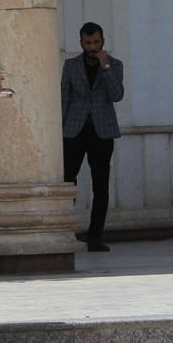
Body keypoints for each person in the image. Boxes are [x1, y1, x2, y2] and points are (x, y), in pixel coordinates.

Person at [61, 22, 124, 252]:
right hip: (74, 130)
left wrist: (105, 67)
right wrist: (60, 131)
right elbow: (63, 99)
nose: (92, 47)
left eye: (96, 42)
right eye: (88, 43)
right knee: (68, 182)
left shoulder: (115, 65)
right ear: (80, 42)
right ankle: (66, 231)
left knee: (101, 185)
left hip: (102, 131)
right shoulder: (70, 66)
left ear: (103, 42)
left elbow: (117, 95)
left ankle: (95, 236)